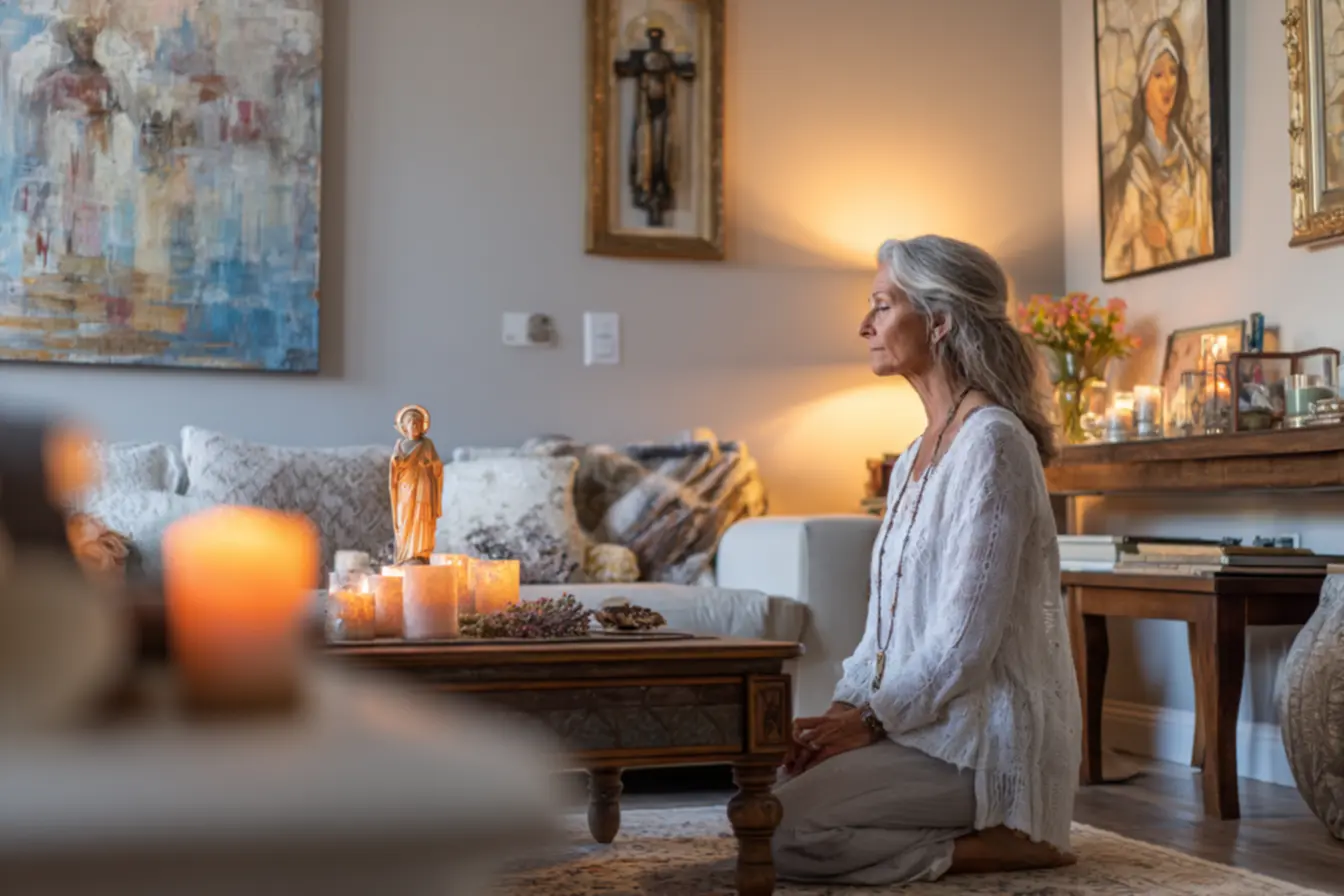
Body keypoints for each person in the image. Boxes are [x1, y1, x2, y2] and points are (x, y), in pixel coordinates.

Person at [771, 235, 1081, 885]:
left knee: (780, 833)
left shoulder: (992, 442)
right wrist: (837, 716)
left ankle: (1008, 837)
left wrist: (869, 722)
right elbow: (883, 632)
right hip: (917, 727)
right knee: (757, 803)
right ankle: (944, 822)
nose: (864, 326)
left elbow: (963, 644)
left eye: (881, 306)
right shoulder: (913, 457)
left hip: (984, 743)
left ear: (938, 322)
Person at [1102, 18, 1213, 279]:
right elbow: (1113, 262)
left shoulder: (1196, 172)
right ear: (1144, 83)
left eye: (1173, 72)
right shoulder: (1135, 173)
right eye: (1158, 74)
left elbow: (1207, 243)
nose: (1168, 84)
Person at [389, 405, 443, 565]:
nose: (415, 427)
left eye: (418, 424)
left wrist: (430, 463)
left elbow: (437, 465)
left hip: (424, 485)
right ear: (404, 427)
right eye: (411, 424)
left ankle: (420, 552)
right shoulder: (400, 446)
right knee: (406, 516)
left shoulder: (427, 444)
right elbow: (395, 468)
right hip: (406, 486)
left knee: (422, 515)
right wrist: (397, 462)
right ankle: (406, 554)